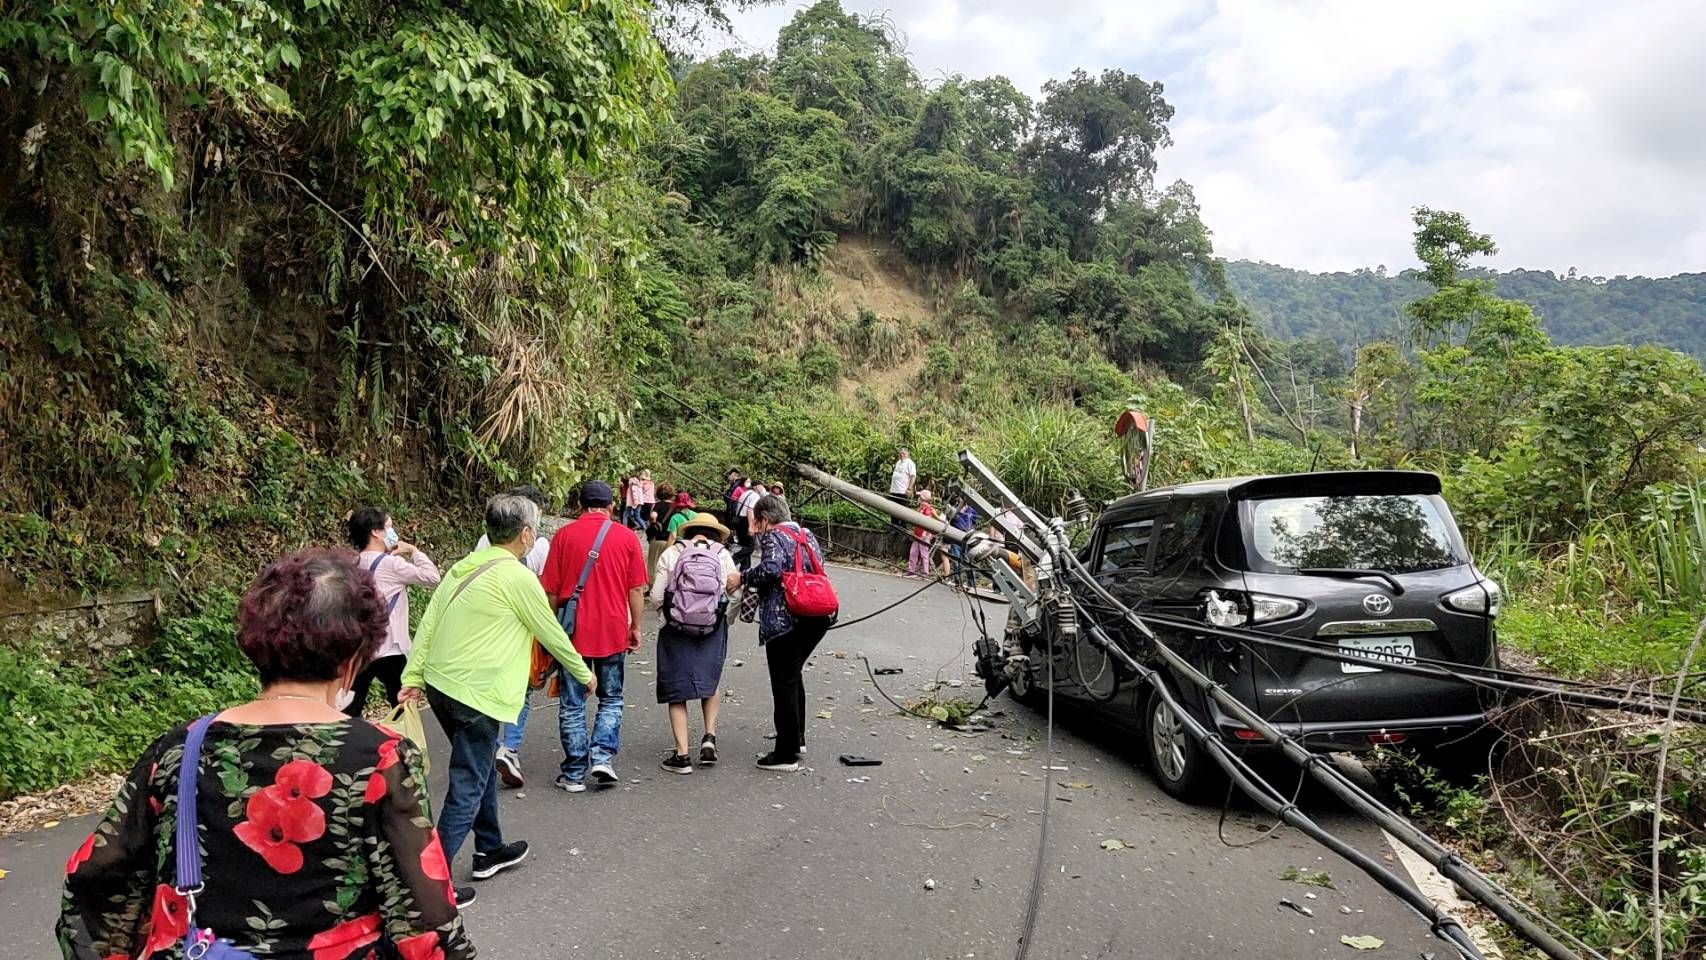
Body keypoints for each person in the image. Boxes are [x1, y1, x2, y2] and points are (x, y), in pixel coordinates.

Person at [60, 549, 476, 957]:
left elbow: (97, 880)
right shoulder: (379, 757)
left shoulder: (179, 749)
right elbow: (423, 917)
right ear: (354, 658)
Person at [400, 494, 595, 901]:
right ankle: (429, 886)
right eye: (536, 528)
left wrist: (413, 675)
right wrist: (583, 673)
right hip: (478, 696)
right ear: (525, 534)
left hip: (441, 687)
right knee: (467, 782)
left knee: (482, 763)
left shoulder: (461, 568)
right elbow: (551, 632)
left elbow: (429, 622)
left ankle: (489, 848)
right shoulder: (518, 578)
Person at [539, 481, 647, 792]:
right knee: (611, 697)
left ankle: (573, 773)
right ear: (612, 506)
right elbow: (636, 589)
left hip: (572, 635)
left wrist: (553, 629)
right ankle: (602, 758)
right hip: (613, 630)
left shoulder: (564, 536)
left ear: (580, 506)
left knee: (572, 703)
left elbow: (550, 591)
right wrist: (635, 626)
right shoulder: (626, 537)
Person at [744, 495, 836, 772]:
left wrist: (744, 577)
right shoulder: (806, 534)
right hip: (816, 615)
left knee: (783, 681)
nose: (755, 530)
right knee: (793, 675)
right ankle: (797, 737)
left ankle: (785, 754)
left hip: (786, 617)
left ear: (766, 519)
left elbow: (771, 570)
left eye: (756, 523)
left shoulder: (773, 536)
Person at [474, 485, 554, 789]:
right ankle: (510, 748)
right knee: (522, 690)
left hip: (486, 627)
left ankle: (492, 747)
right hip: (522, 629)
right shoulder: (539, 545)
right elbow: (546, 593)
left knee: (490, 687)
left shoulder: (486, 541)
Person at [649, 513, 741, 774]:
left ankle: (681, 755)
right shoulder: (723, 555)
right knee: (709, 681)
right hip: (711, 627)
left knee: (676, 689)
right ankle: (709, 737)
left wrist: (667, 615)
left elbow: (656, 595)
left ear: (689, 531)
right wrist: (724, 620)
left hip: (675, 628)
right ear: (715, 533)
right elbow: (734, 594)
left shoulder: (672, 553)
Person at [343, 506, 440, 716]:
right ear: (375, 532)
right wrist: (413, 551)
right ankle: (402, 745)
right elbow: (432, 577)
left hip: (362, 647)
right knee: (402, 707)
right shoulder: (393, 564)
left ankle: (347, 745)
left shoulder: (351, 565)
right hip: (391, 647)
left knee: (350, 707)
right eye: (389, 527)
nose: (393, 532)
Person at [644, 482, 679, 582]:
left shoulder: (657, 505)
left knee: (653, 565)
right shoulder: (675, 507)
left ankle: (652, 589)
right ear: (671, 494)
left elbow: (653, 515)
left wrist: (653, 522)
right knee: (666, 566)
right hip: (670, 541)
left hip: (657, 539)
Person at [947, 494, 980, 591]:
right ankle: (958, 582)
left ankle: (971, 583)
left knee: (967, 562)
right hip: (956, 538)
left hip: (968, 539)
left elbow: (974, 523)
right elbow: (950, 517)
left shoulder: (971, 510)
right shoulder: (953, 510)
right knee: (956, 561)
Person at [907, 489, 937, 578]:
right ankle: (911, 570)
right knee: (913, 552)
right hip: (917, 534)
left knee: (924, 554)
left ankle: (925, 572)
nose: (918, 498)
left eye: (919, 497)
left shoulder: (927, 508)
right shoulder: (921, 507)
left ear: (923, 498)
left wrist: (925, 533)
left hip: (924, 535)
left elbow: (927, 521)